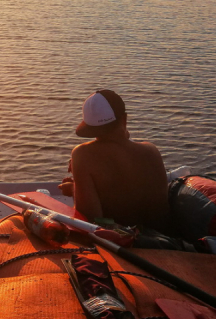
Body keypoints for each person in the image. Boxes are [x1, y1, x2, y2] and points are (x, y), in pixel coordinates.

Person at [59, 90, 171, 233]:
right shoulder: (151, 151)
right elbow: (160, 213)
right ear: (124, 119)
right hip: (164, 240)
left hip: (126, 243)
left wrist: (74, 190)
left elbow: (92, 221)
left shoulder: (82, 155)